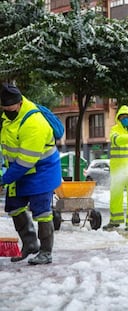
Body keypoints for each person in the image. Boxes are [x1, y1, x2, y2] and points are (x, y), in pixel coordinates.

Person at [0, 83, 62, 265]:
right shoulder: (7, 118)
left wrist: (3, 179)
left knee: (42, 212)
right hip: (19, 171)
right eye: (4, 109)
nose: (7, 111)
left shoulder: (34, 123)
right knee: (14, 207)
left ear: (19, 103)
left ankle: (45, 252)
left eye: (10, 108)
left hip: (42, 171)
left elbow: (25, 161)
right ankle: (30, 244)